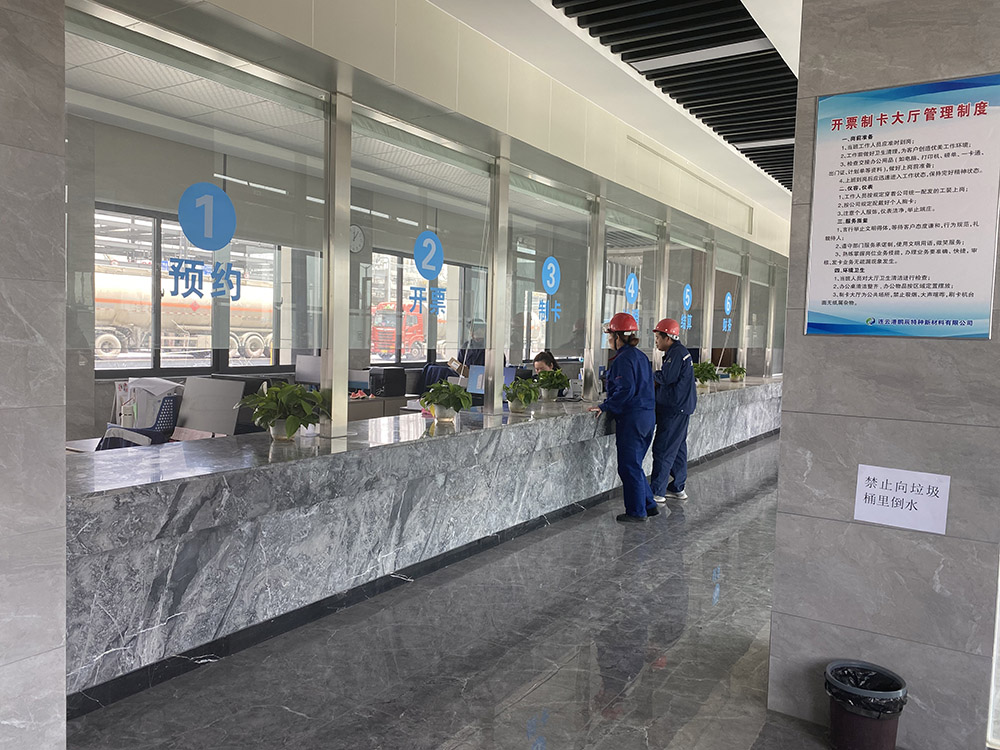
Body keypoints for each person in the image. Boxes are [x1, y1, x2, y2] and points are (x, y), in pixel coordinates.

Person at [589, 312, 658, 523]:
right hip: (647, 417)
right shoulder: (640, 356)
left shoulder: (623, 359)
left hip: (633, 419)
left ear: (618, 336)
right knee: (635, 464)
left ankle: (637, 511)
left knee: (629, 466)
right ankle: (649, 504)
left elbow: (625, 390)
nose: (609, 339)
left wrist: (605, 406)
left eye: (610, 334)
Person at [650, 318, 697, 503]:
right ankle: (677, 488)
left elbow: (667, 377)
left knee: (664, 448)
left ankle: (657, 491)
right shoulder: (679, 352)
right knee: (677, 448)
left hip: (674, 409)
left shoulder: (676, 354)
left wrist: (651, 376)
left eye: (658, 338)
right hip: (681, 407)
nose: (656, 341)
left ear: (668, 338)